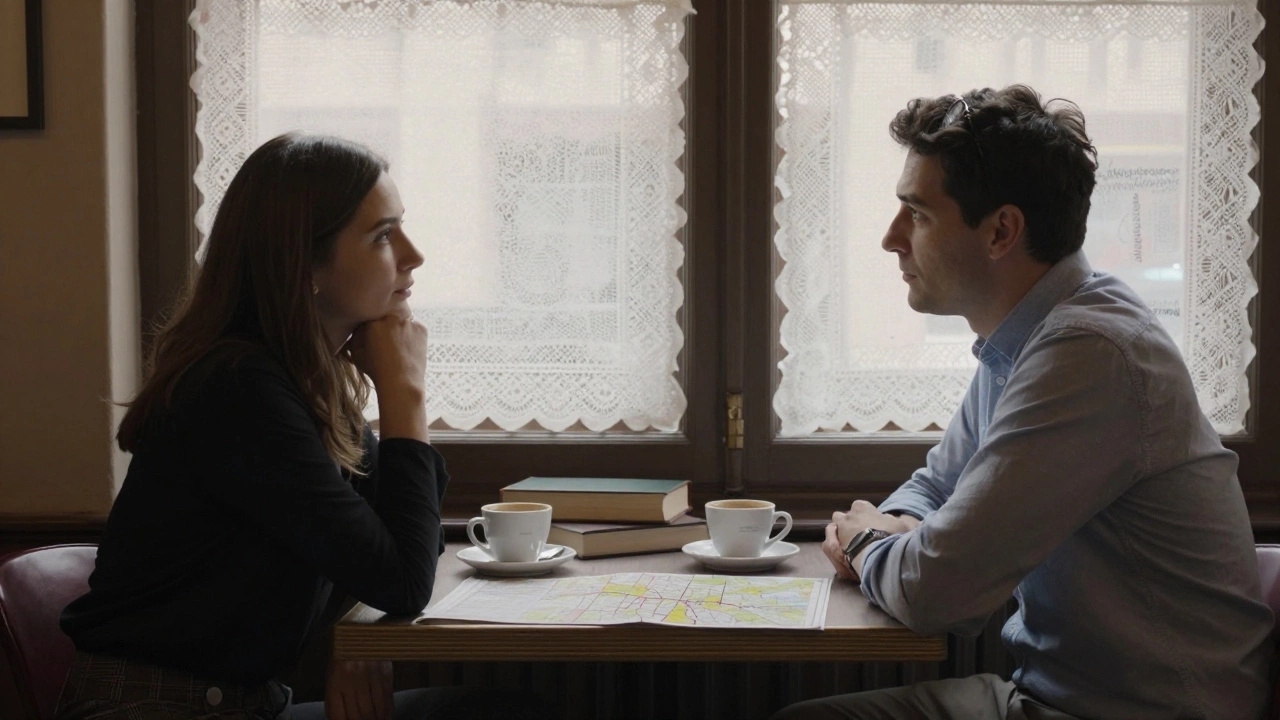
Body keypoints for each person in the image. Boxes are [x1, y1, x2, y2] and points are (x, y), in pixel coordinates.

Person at [772, 86, 1274, 719]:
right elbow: (933, 486)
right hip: (1046, 698)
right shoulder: (1028, 336)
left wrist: (870, 542)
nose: (890, 239)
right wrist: (898, 532)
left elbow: (937, 592)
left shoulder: (1089, 353)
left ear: (1002, 231)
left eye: (918, 214)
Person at [55, 134, 540, 720]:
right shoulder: (237, 389)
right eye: (384, 236)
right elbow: (405, 578)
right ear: (305, 264)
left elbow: (398, 548)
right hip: (154, 709)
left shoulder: (306, 387)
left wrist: (350, 634)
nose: (413, 255)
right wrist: (405, 394)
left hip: (241, 705)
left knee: (492, 707)